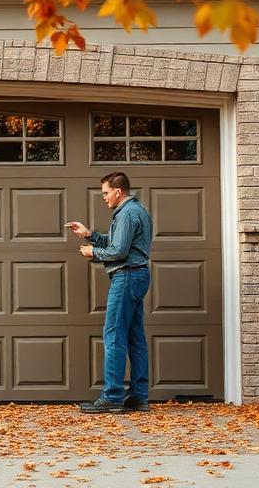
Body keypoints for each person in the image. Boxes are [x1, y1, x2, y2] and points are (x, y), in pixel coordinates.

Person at [65, 172, 152, 414]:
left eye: (105, 193)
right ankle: (139, 396)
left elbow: (119, 252)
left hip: (127, 275)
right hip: (138, 274)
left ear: (118, 191)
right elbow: (120, 244)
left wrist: (92, 252)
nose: (103, 197)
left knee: (113, 334)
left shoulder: (125, 214)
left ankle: (112, 396)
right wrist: (89, 235)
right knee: (135, 337)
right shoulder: (138, 211)